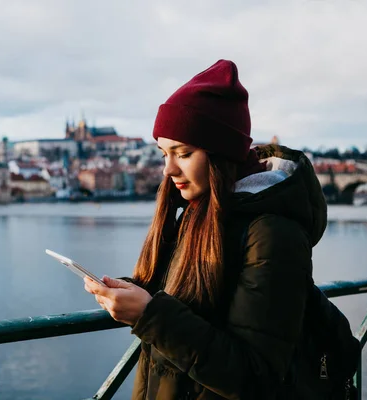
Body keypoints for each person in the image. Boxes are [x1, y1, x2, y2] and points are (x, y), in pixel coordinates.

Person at [83, 60, 340, 399]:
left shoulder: (273, 235)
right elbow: (193, 307)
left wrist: (150, 315)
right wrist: (134, 294)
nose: (167, 169)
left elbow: (257, 377)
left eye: (183, 153)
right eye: (163, 154)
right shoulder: (196, 212)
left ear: (221, 155)